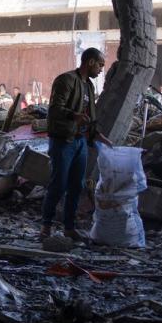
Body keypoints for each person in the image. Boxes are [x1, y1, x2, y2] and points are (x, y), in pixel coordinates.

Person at [40, 48, 112, 240]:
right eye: (100, 65)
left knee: (76, 186)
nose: (100, 70)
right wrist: (74, 116)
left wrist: (97, 135)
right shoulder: (66, 80)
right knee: (58, 184)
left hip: (80, 142)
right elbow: (55, 109)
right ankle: (45, 227)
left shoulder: (88, 86)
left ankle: (69, 228)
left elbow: (89, 117)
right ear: (90, 62)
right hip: (63, 142)